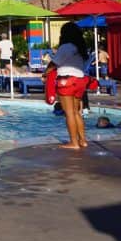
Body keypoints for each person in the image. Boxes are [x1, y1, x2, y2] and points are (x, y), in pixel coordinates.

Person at [48, 22, 91, 150]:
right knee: (76, 112)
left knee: (69, 113)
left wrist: (45, 74)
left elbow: (54, 63)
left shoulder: (66, 47)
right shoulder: (80, 48)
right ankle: (82, 140)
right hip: (80, 80)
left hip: (66, 81)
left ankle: (74, 142)